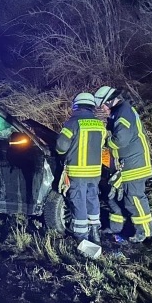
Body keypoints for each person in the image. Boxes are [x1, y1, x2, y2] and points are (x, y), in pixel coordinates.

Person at [94, 86, 152, 243]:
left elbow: (121, 139)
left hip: (134, 165)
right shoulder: (118, 113)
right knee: (114, 198)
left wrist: (106, 142)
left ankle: (146, 232)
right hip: (125, 166)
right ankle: (116, 228)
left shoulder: (123, 111)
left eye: (103, 106)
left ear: (109, 101)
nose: (103, 110)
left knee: (134, 199)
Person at [56, 93, 107, 243]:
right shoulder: (99, 125)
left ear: (76, 106)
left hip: (77, 172)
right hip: (95, 173)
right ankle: (95, 233)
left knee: (79, 202)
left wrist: (61, 154)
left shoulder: (73, 123)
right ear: (92, 107)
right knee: (92, 199)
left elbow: (61, 146)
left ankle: (81, 237)